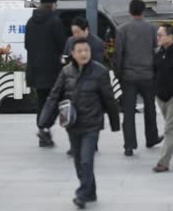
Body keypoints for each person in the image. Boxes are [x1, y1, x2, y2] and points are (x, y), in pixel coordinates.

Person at [39, 38, 120, 209]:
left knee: (86, 160)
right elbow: (54, 95)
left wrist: (115, 123)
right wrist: (44, 121)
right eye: (80, 51)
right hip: (73, 123)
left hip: (92, 123)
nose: (84, 54)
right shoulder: (66, 72)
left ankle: (82, 194)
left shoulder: (100, 72)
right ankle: (90, 191)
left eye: (86, 50)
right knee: (78, 162)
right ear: (73, 54)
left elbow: (109, 99)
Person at [114, 0, 161, 156]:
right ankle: (151, 137)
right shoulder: (152, 29)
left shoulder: (122, 30)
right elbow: (156, 52)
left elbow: (118, 55)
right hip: (148, 75)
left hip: (129, 76)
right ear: (143, 11)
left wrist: (118, 75)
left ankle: (129, 144)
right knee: (150, 108)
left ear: (129, 11)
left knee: (128, 112)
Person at [25, 0, 67, 148]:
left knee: (42, 102)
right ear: (53, 4)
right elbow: (62, 45)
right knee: (57, 101)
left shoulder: (30, 21)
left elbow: (27, 45)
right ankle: (44, 128)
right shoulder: (54, 22)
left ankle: (43, 132)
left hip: (35, 70)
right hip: (52, 70)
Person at [152, 23, 173, 173]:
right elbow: (154, 72)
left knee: (169, 129)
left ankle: (163, 162)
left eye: (161, 35)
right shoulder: (157, 52)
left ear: (170, 36)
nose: (158, 37)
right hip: (161, 97)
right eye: (158, 34)